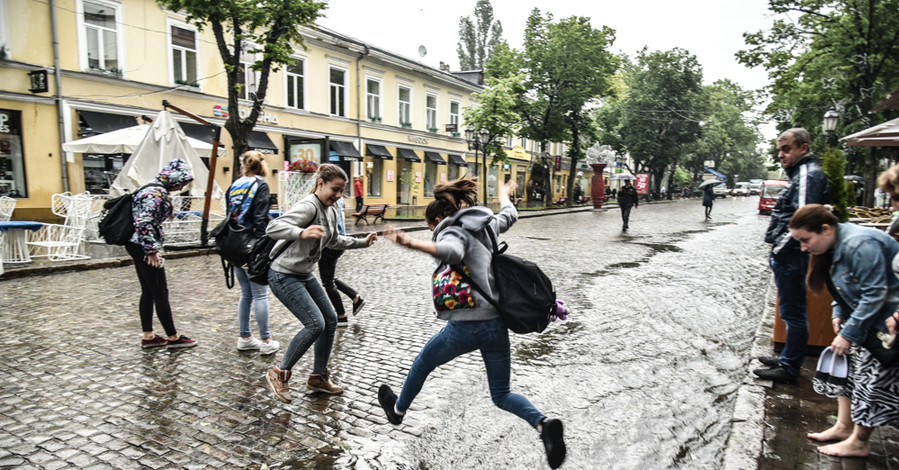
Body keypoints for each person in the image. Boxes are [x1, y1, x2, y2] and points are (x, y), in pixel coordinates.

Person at [378, 178, 567, 470]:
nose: (434, 233)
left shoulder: (452, 231)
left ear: (439, 219)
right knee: (501, 393)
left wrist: (412, 242)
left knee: (423, 363)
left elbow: (451, 251)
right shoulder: (486, 223)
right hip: (495, 324)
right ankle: (543, 425)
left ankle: (398, 410)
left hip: (465, 328)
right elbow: (510, 214)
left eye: (432, 227)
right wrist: (504, 193)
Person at [788, 204, 899, 457]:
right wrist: (839, 313)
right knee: (851, 375)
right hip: (868, 322)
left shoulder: (859, 245)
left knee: (873, 383)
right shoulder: (834, 243)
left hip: (887, 325)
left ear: (825, 229)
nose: (804, 248)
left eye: (806, 240)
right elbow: (844, 286)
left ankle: (859, 442)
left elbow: (874, 294)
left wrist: (848, 333)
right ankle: (843, 426)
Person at [264, 164, 377, 403]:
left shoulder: (332, 210)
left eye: (342, 191)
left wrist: (361, 243)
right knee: (315, 324)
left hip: (304, 274)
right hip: (283, 275)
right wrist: (301, 233)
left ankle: (318, 377)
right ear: (320, 183)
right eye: (334, 189)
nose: (337, 195)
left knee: (331, 319)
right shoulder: (308, 206)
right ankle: (279, 373)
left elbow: (334, 240)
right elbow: (273, 227)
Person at [754, 128, 831, 384]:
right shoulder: (802, 174)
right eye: (779, 149)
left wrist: (778, 248)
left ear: (804, 148)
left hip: (792, 257)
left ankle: (789, 367)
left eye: (787, 149)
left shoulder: (808, 175)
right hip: (790, 256)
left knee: (794, 312)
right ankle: (788, 356)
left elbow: (803, 221)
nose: (781, 155)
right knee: (791, 310)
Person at [128, 158, 197, 349]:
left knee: (149, 291)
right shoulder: (155, 193)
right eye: (183, 182)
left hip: (135, 244)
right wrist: (151, 251)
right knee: (160, 291)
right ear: (175, 178)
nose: (182, 186)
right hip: (143, 246)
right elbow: (144, 223)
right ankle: (173, 337)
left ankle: (149, 336)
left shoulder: (150, 188)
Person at [226, 151, 279, 355]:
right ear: (262, 166)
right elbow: (260, 219)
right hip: (252, 244)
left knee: (246, 294)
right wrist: (265, 245)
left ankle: (245, 337)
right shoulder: (260, 185)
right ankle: (266, 340)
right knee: (260, 293)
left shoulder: (235, 185)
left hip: (235, 243)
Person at [318, 195, 365, 328]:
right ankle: (356, 298)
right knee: (330, 277)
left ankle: (341, 316)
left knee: (328, 282)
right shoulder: (338, 198)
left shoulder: (329, 198)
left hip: (333, 244)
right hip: (340, 242)